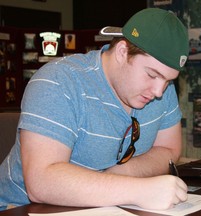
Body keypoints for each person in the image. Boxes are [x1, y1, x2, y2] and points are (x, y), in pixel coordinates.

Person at [0, 8, 189, 211]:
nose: (159, 91)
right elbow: (41, 181)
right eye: (152, 75)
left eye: (168, 80)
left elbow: (169, 149)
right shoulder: (57, 82)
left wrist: (121, 175)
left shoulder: (161, 89)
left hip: (102, 206)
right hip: (20, 208)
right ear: (122, 52)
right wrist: (138, 190)